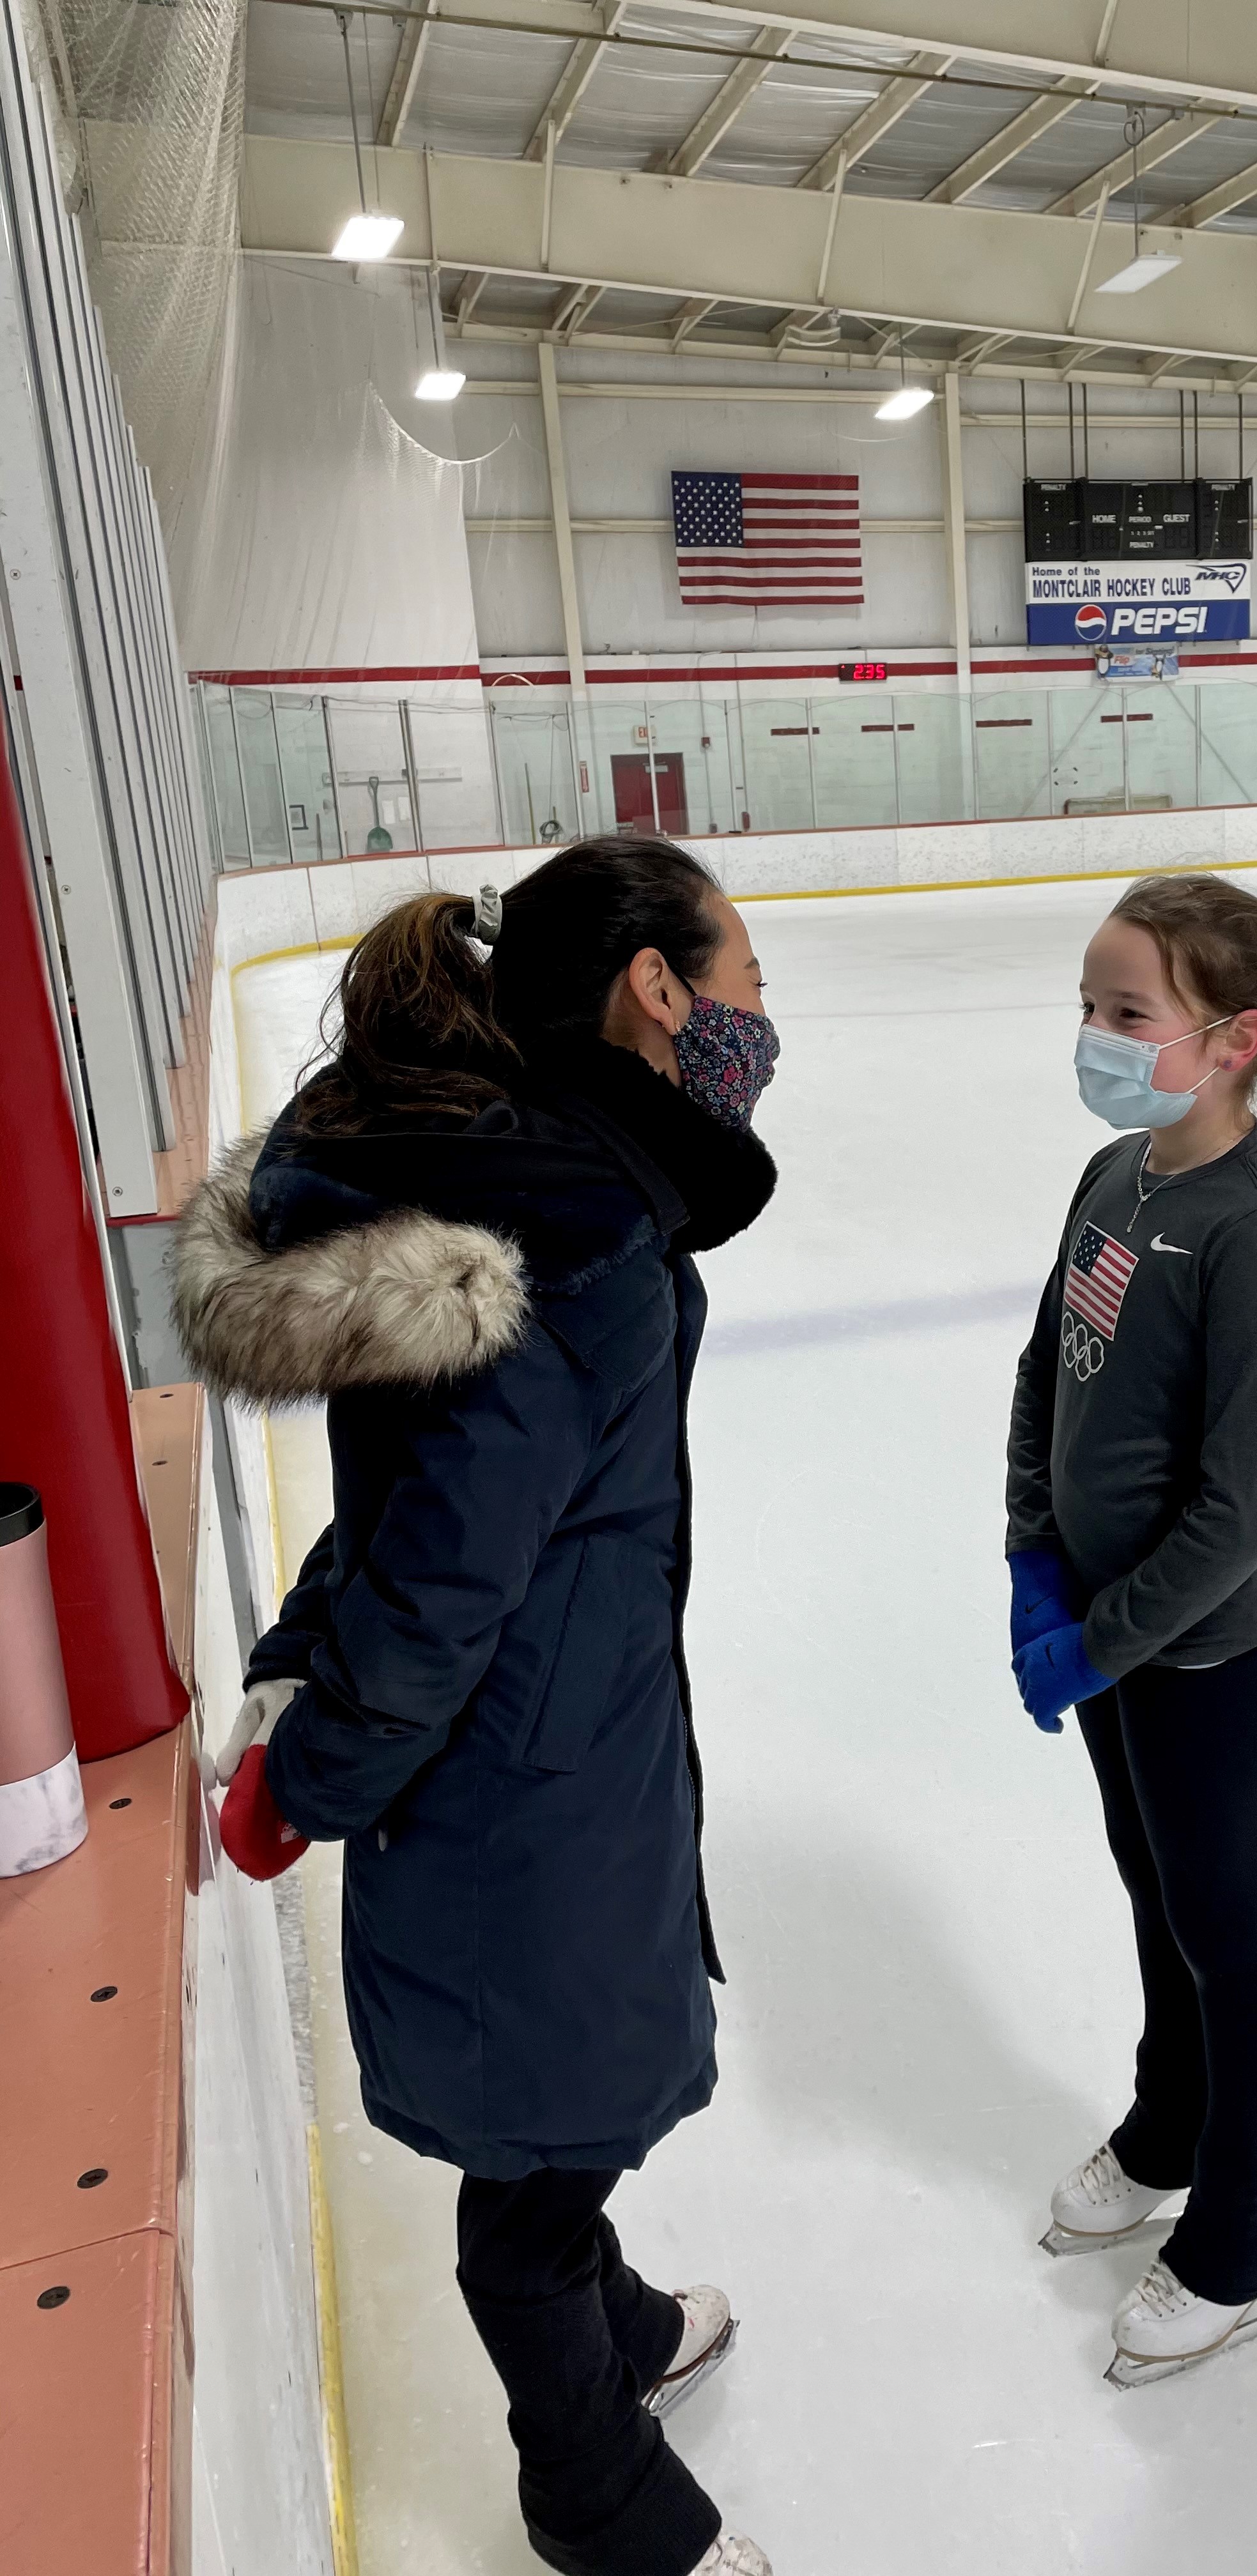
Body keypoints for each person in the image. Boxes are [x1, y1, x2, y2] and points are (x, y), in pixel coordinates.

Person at [174, 839, 782, 2576]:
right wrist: (320, 1767)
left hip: (564, 1739)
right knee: (532, 2176)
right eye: (744, 979)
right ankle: (597, 2505)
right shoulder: (564, 1238)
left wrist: (304, 1653)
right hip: (525, 1782)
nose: (760, 1017)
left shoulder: (551, 1183)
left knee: (564, 2119)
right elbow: (442, 1573)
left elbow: (413, 1505)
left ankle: (636, 2331)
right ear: (654, 989)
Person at [1005, 871, 1257, 2389]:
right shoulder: (1119, 1176)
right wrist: (1035, 1552)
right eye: (1089, 1006)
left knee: (1225, 1920)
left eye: (1125, 1012)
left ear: (1235, 1039)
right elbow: (1052, 1365)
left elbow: (1241, 1508)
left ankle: (1249, 2238)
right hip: (1109, 1626)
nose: (1094, 1034)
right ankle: (1169, 2120)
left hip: (1215, 1644)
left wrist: (1106, 1639)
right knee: (1149, 1875)